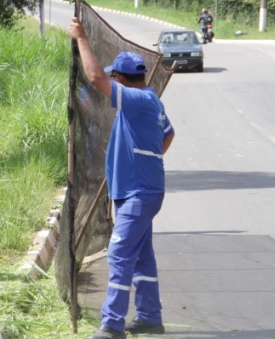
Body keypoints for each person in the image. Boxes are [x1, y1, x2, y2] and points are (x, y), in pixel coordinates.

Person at [69, 17, 175, 339]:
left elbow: (94, 75)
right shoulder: (151, 101)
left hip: (138, 194)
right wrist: (146, 157)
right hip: (143, 190)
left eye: (115, 78)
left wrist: (81, 37)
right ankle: (149, 317)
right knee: (142, 256)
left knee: (118, 253)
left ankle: (112, 324)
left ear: (120, 79)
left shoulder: (137, 100)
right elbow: (169, 136)